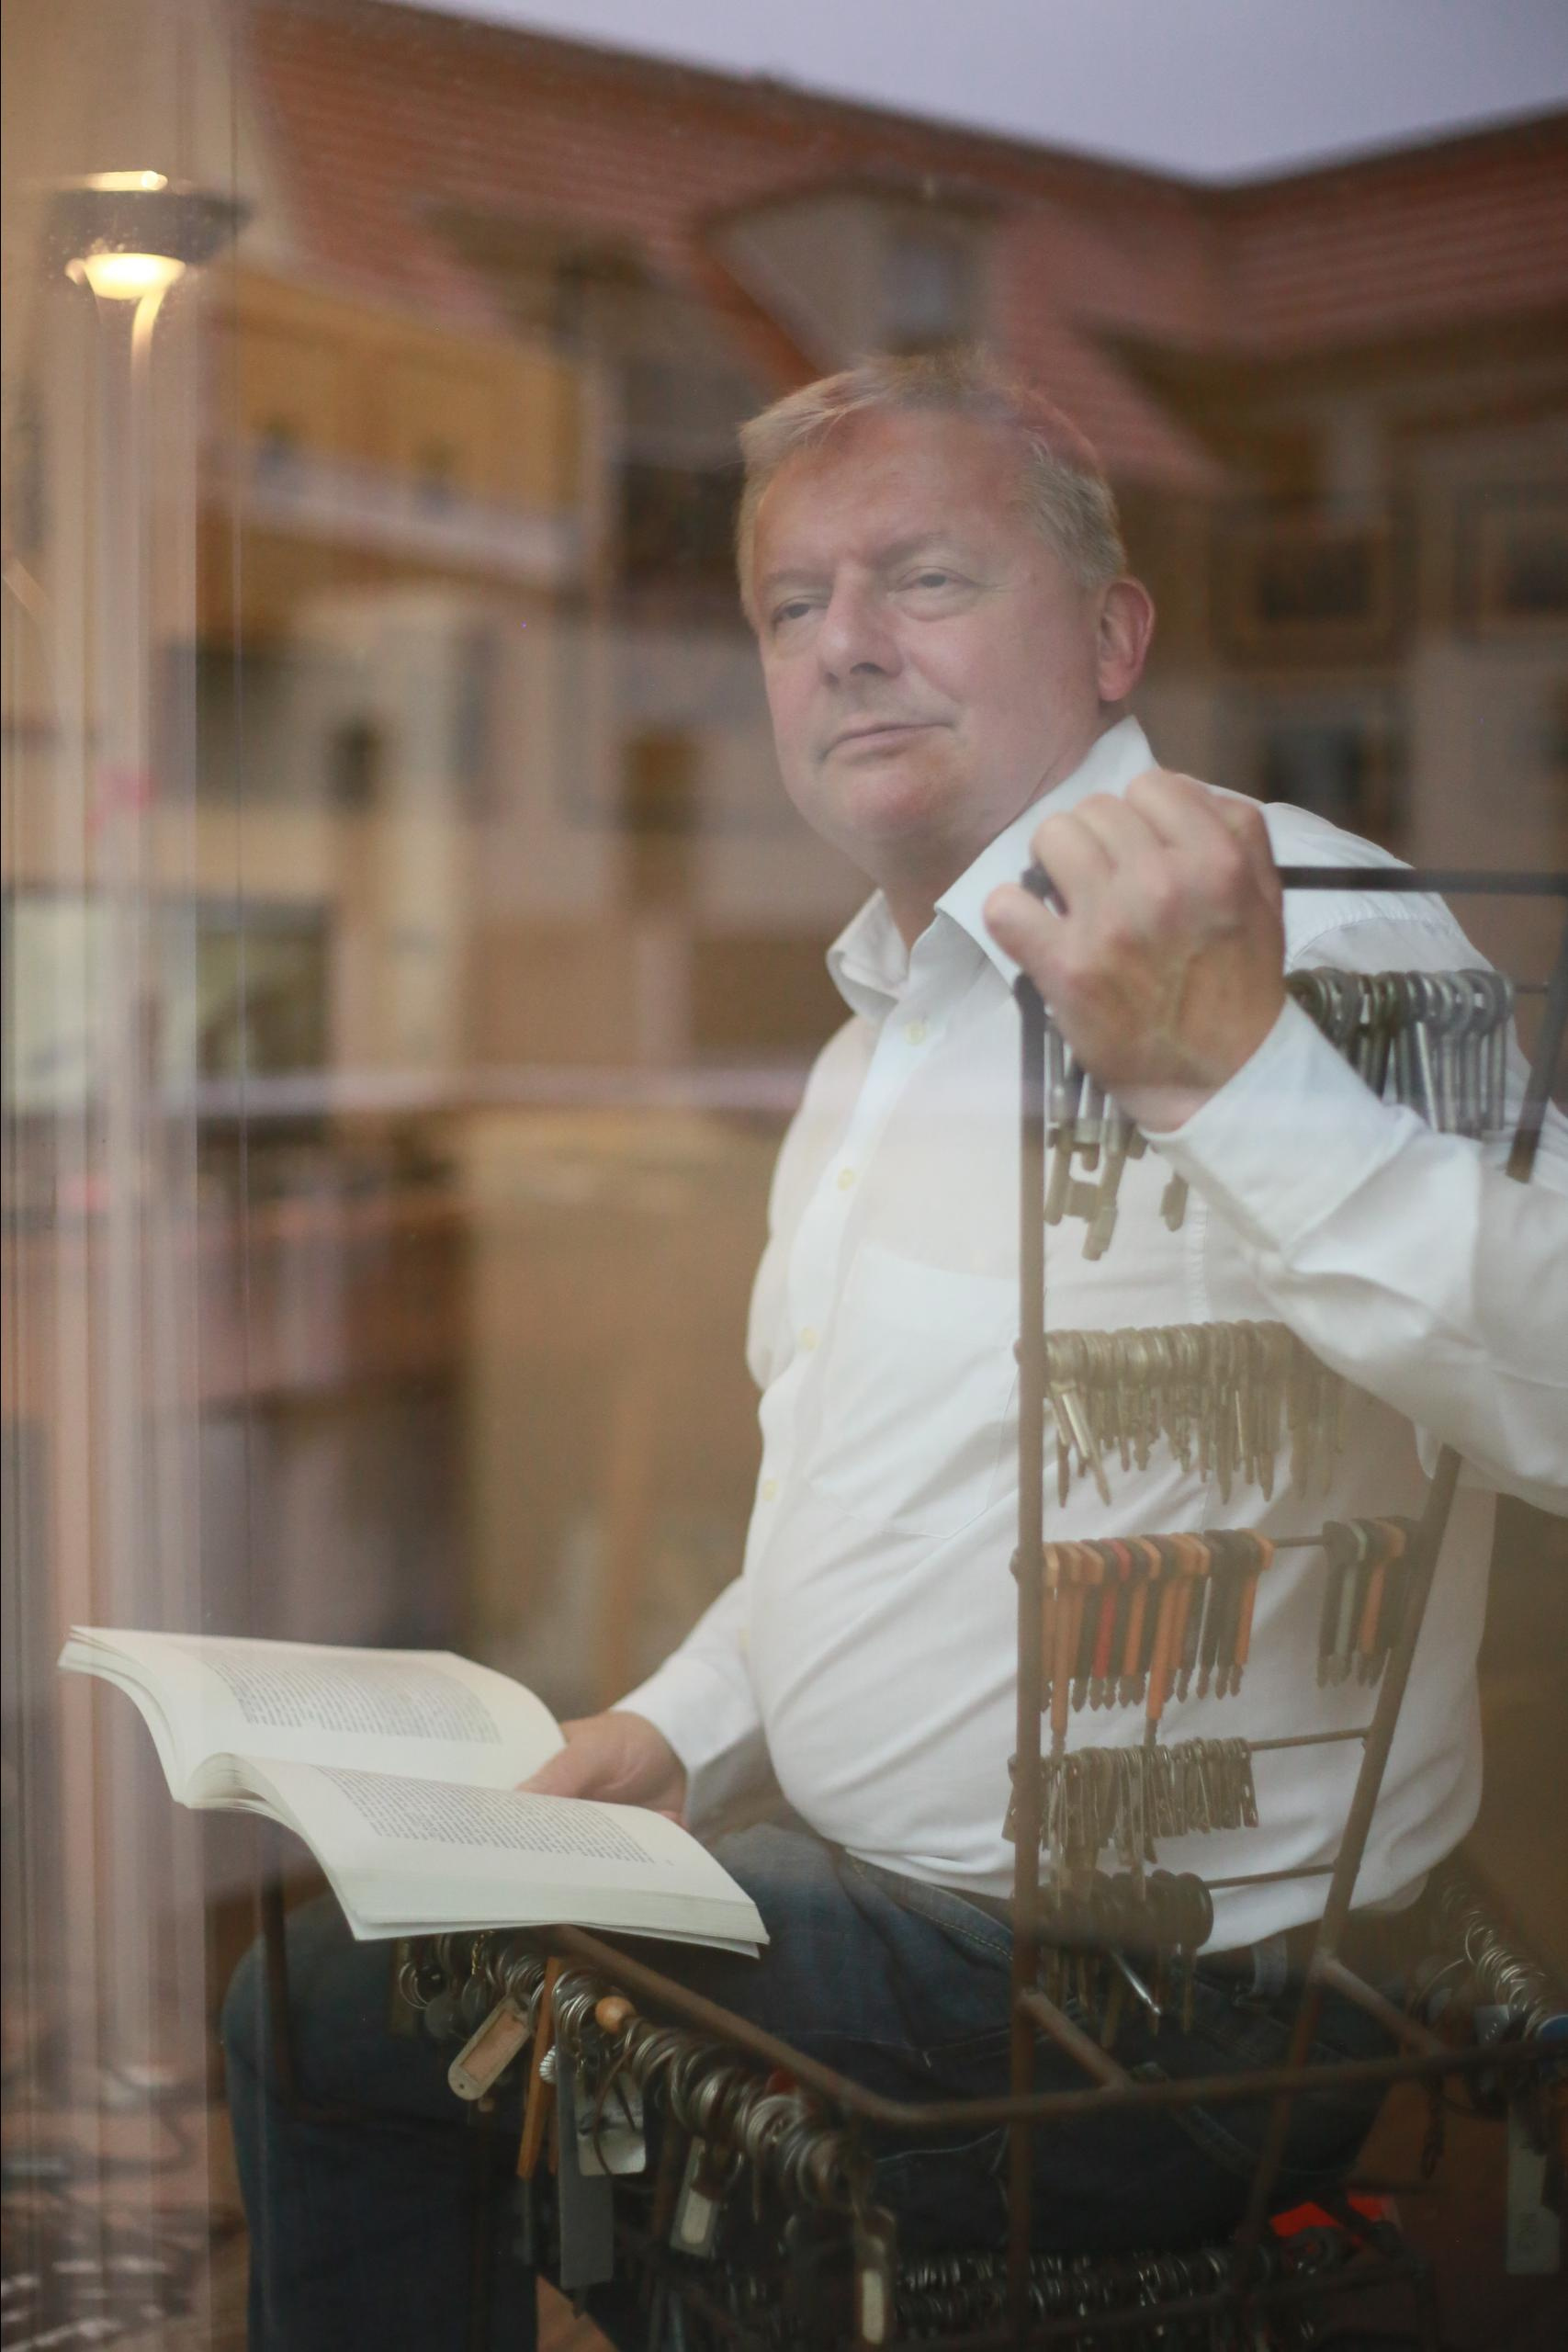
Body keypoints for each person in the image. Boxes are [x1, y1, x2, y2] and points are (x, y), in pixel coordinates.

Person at [222, 349, 1568, 2350]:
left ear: (1111, 636)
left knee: (321, 2007)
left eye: (923, 578)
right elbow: (867, 1520)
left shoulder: (1304, 925)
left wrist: (1230, 1079)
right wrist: (674, 1727)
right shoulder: (881, 1043)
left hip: (1162, 2010)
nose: (843, 643)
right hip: (894, 1924)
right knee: (375, 1959)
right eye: (791, 604)